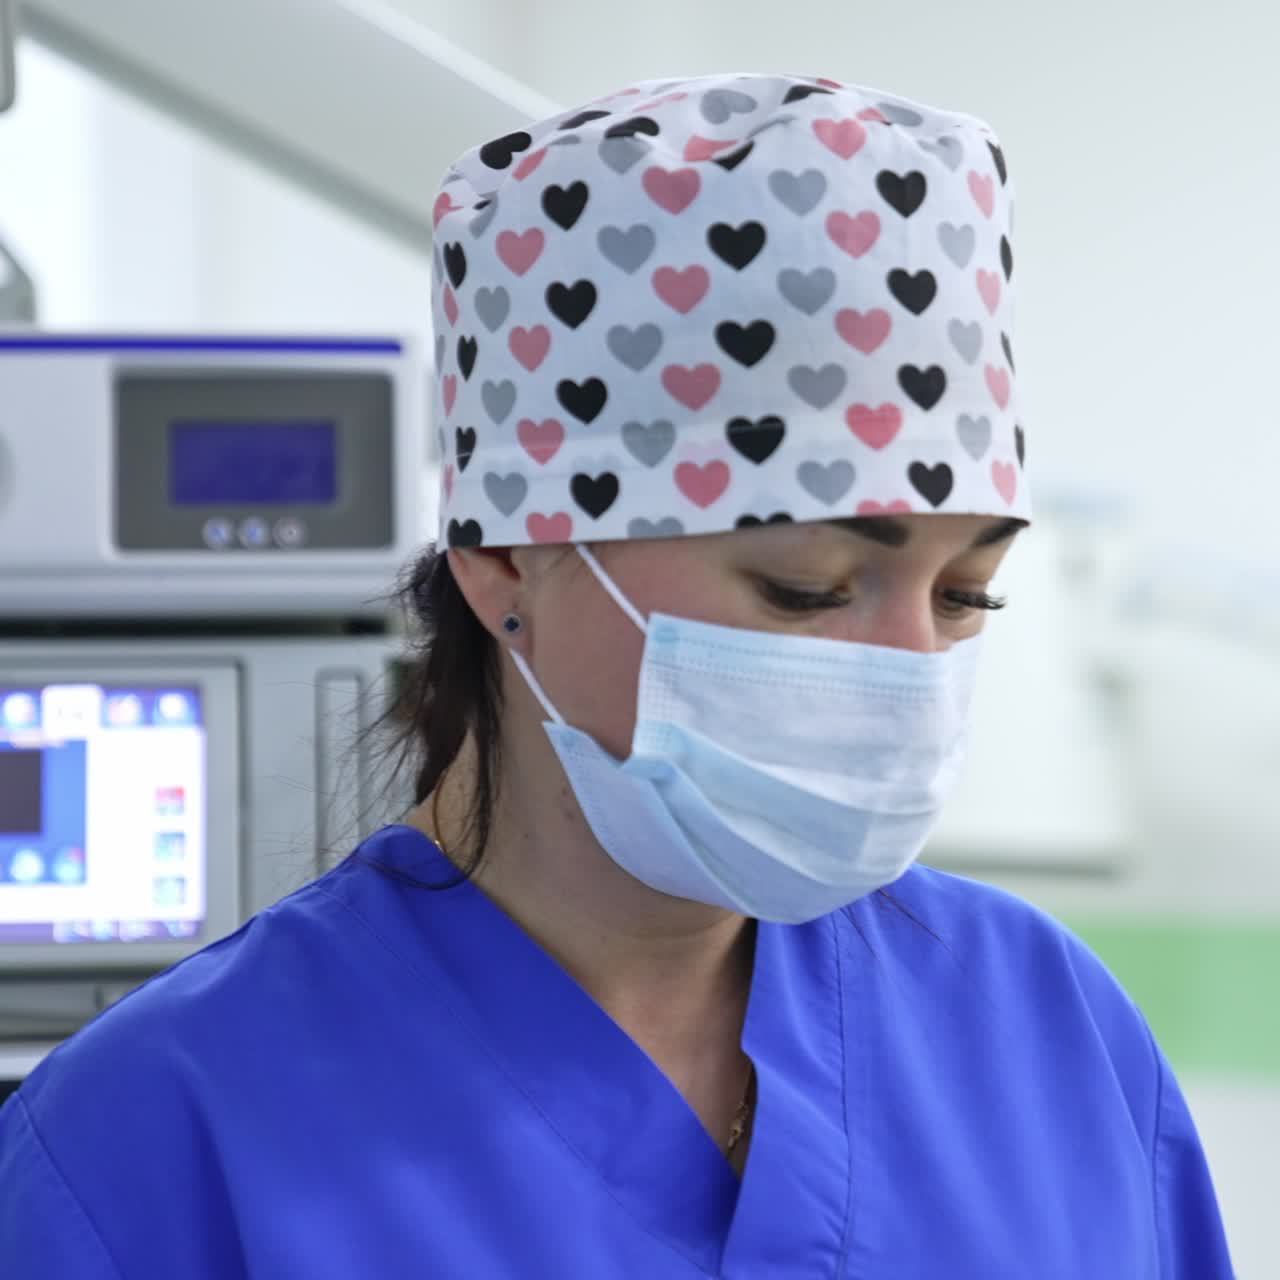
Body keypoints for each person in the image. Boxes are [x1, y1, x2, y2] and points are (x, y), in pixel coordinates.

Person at [0, 72, 1234, 1278]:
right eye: (804, 587)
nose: (910, 673)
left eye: (965, 593)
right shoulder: (153, 1137)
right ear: (505, 570)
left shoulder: (1041, 1029)